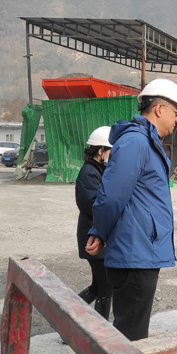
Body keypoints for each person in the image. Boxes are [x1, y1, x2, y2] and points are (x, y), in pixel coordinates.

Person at [86, 78, 177, 341]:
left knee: (133, 330)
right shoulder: (136, 142)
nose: (176, 119)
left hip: (142, 251)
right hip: (135, 253)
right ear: (160, 109)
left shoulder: (146, 142)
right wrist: (99, 230)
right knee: (131, 336)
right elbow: (111, 195)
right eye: (175, 112)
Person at [75, 126, 113, 320]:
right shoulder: (89, 173)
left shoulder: (98, 170)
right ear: (100, 151)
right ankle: (100, 331)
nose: (112, 155)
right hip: (94, 236)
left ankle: (70, 313)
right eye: (110, 151)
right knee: (105, 288)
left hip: (97, 235)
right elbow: (94, 204)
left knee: (98, 286)